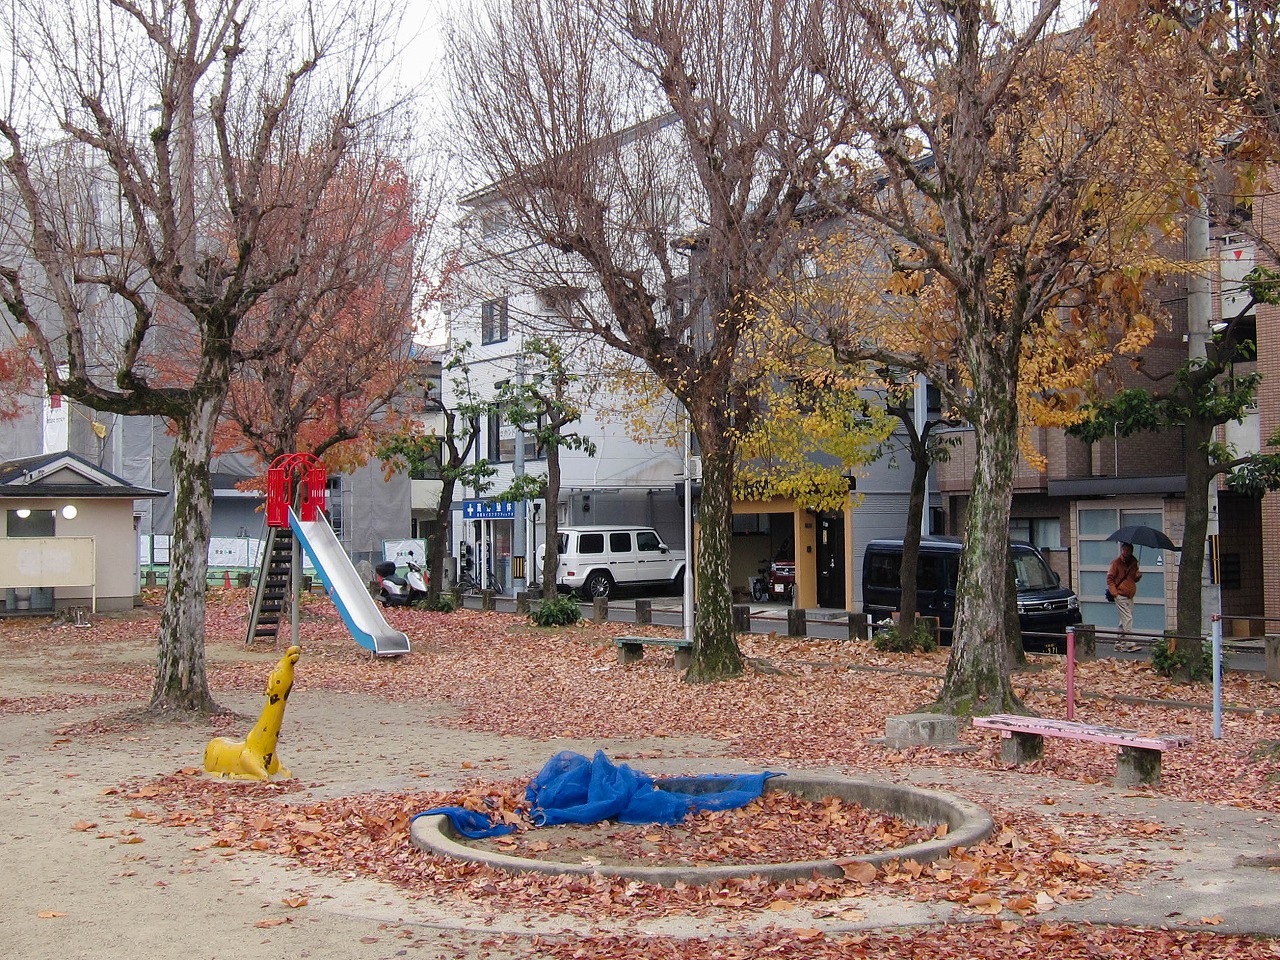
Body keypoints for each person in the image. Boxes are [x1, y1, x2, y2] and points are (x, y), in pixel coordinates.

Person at [1106, 542, 1142, 637]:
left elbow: (1133, 579)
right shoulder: (1116, 563)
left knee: (1124, 619)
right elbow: (1110, 578)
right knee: (1128, 618)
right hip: (1120, 594)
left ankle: (1120, 642)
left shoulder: (1134, 563)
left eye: (1128, 550)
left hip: (1130, 595)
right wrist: (1115, 593)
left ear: (1131, 551)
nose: (1126, 552)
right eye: (1124, 550)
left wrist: (1137, 576)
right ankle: (1129, 641)